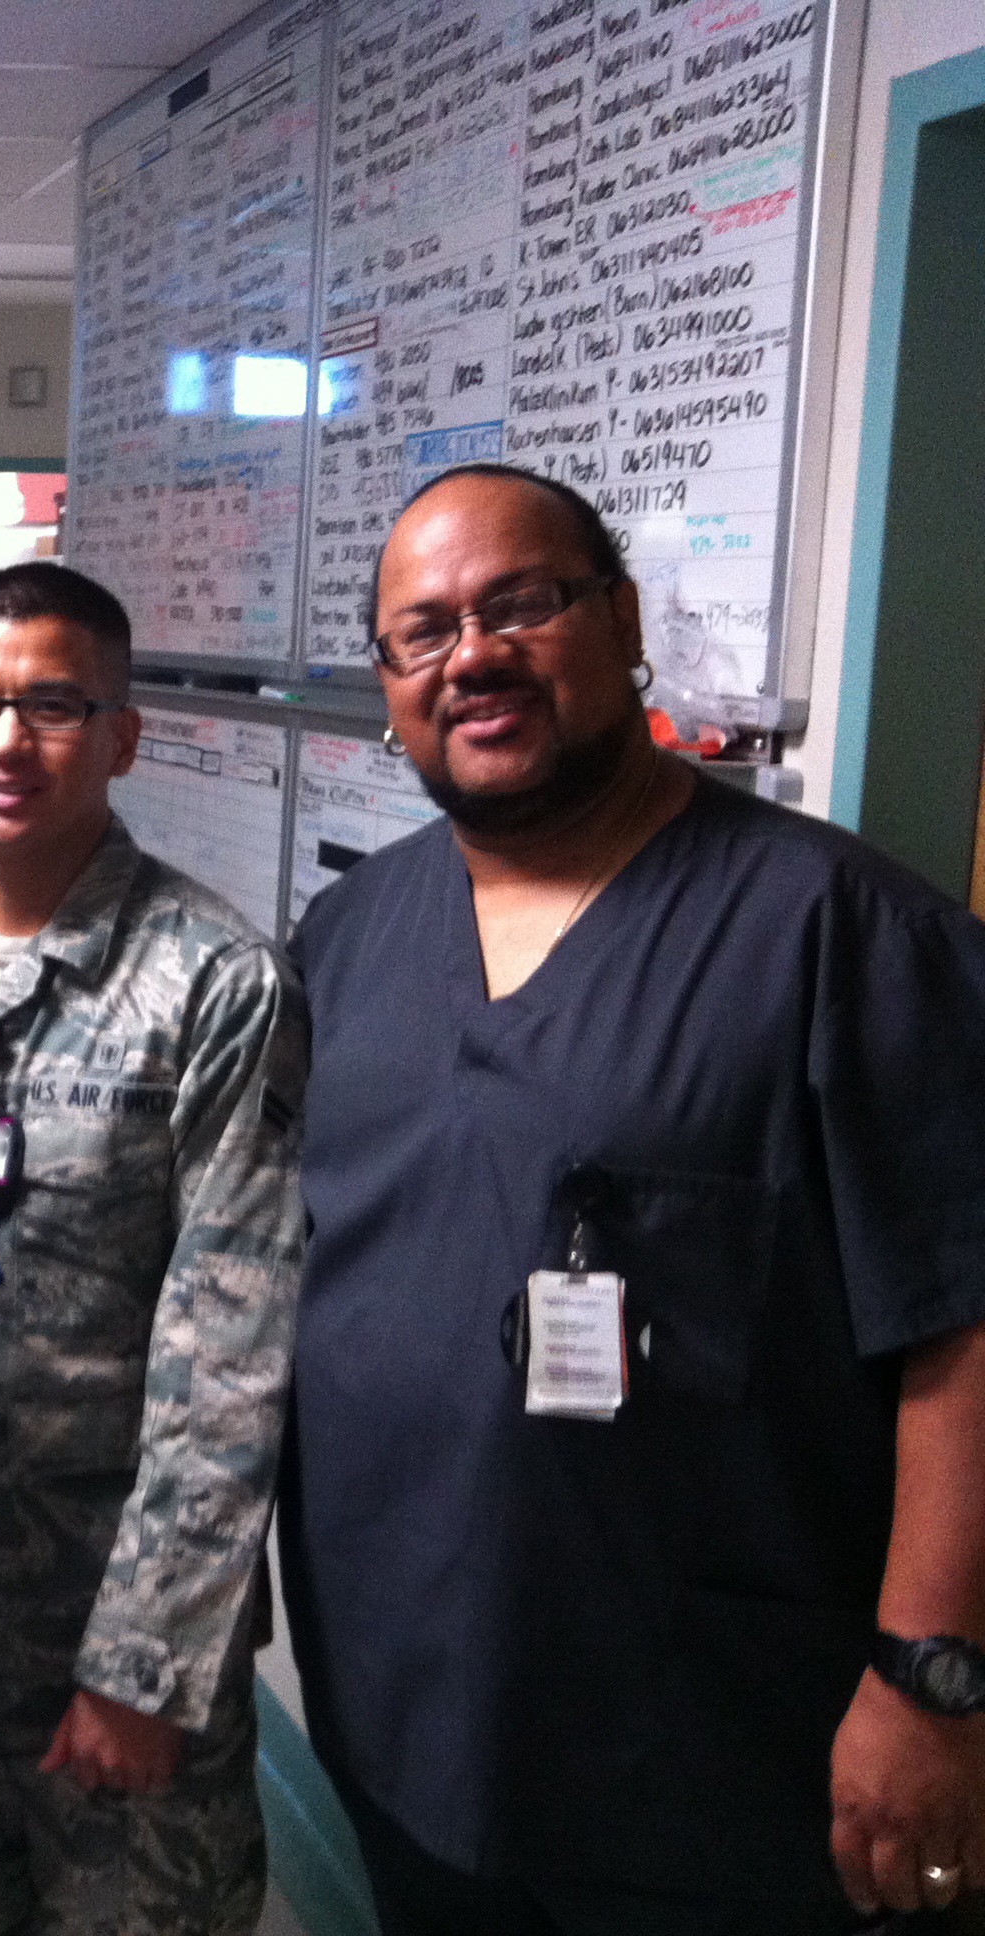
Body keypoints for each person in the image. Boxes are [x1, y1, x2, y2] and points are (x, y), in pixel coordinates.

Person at [280, 461, 985, 1933]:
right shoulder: (348, 939)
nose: (472, 655)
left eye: (520, 604)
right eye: (423, 632)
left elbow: (964, 1328)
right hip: (402, 1698)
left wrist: (933, 1680)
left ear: (622, 618)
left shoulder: (846, 936)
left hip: (705, 1744)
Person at [0, 561, 307, 1936]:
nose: (5, 742)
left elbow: (232, 1350)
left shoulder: (218, 984)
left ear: (122, 736)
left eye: (52, 706)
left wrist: (146, 1665)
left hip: (114, 1643)